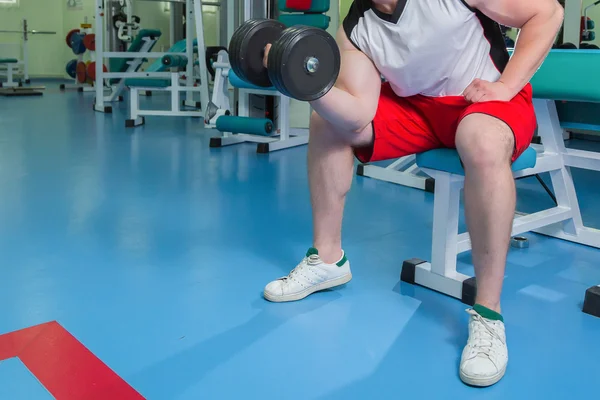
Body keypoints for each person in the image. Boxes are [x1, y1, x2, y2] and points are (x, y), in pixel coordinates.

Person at [262, 0, 564, 387]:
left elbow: (549, 12)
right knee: (328, 121)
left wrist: (506, 86)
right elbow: (357, 114)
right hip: (419, 111)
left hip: (485, 101)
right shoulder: (355, 29)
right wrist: (296, 79)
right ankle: (328, 260)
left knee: (481, 142)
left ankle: (488, 314)